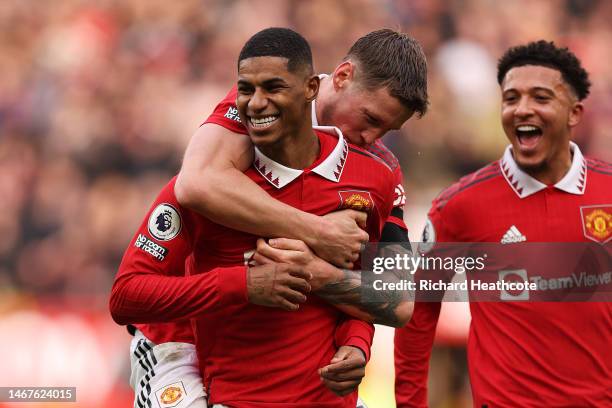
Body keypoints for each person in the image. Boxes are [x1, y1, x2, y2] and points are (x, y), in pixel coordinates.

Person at [112, 28, 428, 408]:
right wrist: (316, 231)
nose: (371, 139)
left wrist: (355, 340)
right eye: (370, 118)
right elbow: (194, 184)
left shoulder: (375, 172)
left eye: (386, 131)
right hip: (181, 338)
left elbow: (390, 293)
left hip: (283, 375)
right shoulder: (262, 102)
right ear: (340, 78)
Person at [394, 40, 612, 407]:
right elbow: (419, 310)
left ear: (575, 113)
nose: (522, 109)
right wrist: (410, 403)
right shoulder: (460, 206)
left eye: (540, 98)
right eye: (511, 98)